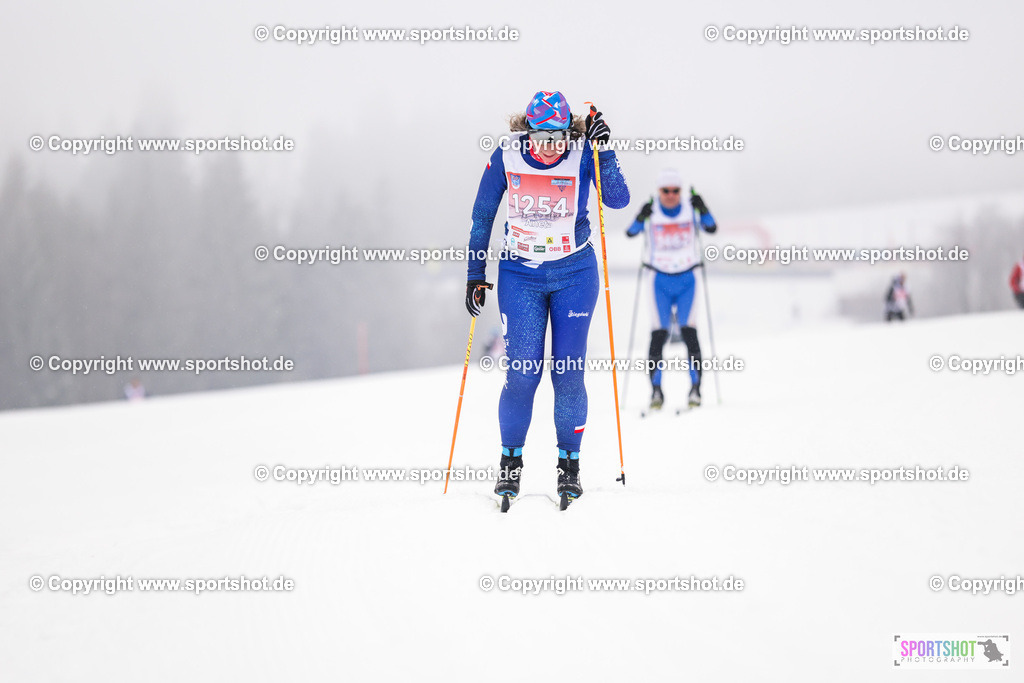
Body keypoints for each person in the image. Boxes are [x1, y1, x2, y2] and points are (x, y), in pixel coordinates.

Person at [465, 91, 630, 504]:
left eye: (558, 136)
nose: (550, 146)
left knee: (569, 372)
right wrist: (474, 274)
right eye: (541, 136)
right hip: (520, 276)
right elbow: (483, 214)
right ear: (527, 130)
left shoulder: (582, 153)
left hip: (575, 272)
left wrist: (604, 151)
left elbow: (618, 199)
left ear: (568, 132)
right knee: (523, 373)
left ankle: (569, 467)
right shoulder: (508, 155)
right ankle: (510, 465)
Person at [626, 169, 716, 410]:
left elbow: (711, 227)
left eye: (675, 191)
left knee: (689, 333)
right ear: (659, 191)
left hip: (688, 278)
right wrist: (640, 215)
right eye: (666, 191)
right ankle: (656, 392)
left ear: (681, 191)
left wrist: (703, 208)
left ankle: (696, 389)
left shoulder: (690, 207)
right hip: (659, 280)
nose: (671, 195)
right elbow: (631, 232)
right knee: (658, 335)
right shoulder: (652, 210)